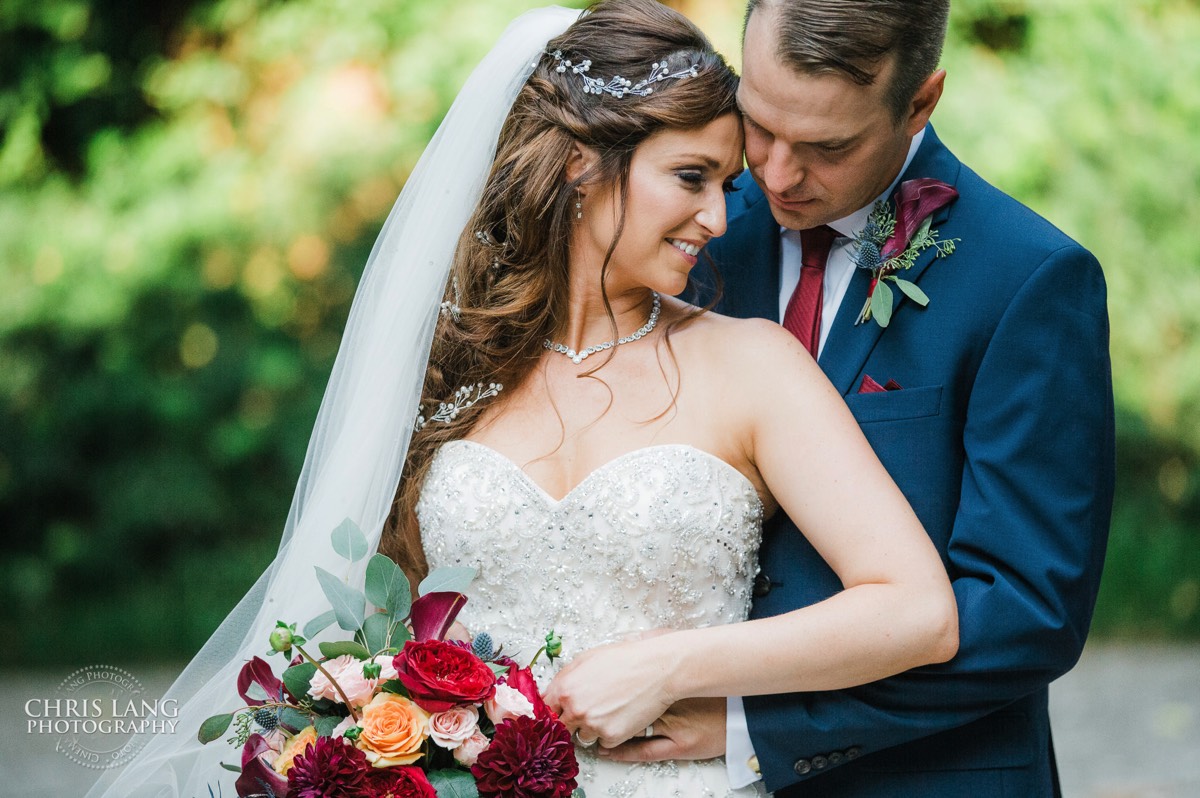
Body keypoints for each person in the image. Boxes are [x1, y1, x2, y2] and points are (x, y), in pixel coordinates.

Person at [85, 2, 956, 796]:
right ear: (581, 163)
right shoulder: (446, 371)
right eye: (691, 177)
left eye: (723, 187)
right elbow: (373, 628)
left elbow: (915, 609)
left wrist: (672, 666)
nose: (720, 219)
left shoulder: (752, 364)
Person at [599, 1, 1116, 796]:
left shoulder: (1028, 280)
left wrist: (754, 722)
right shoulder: (691, 238)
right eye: (760, 126)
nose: (775, 173)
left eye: (826, 147)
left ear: (921, 101)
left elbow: (1025, 611)